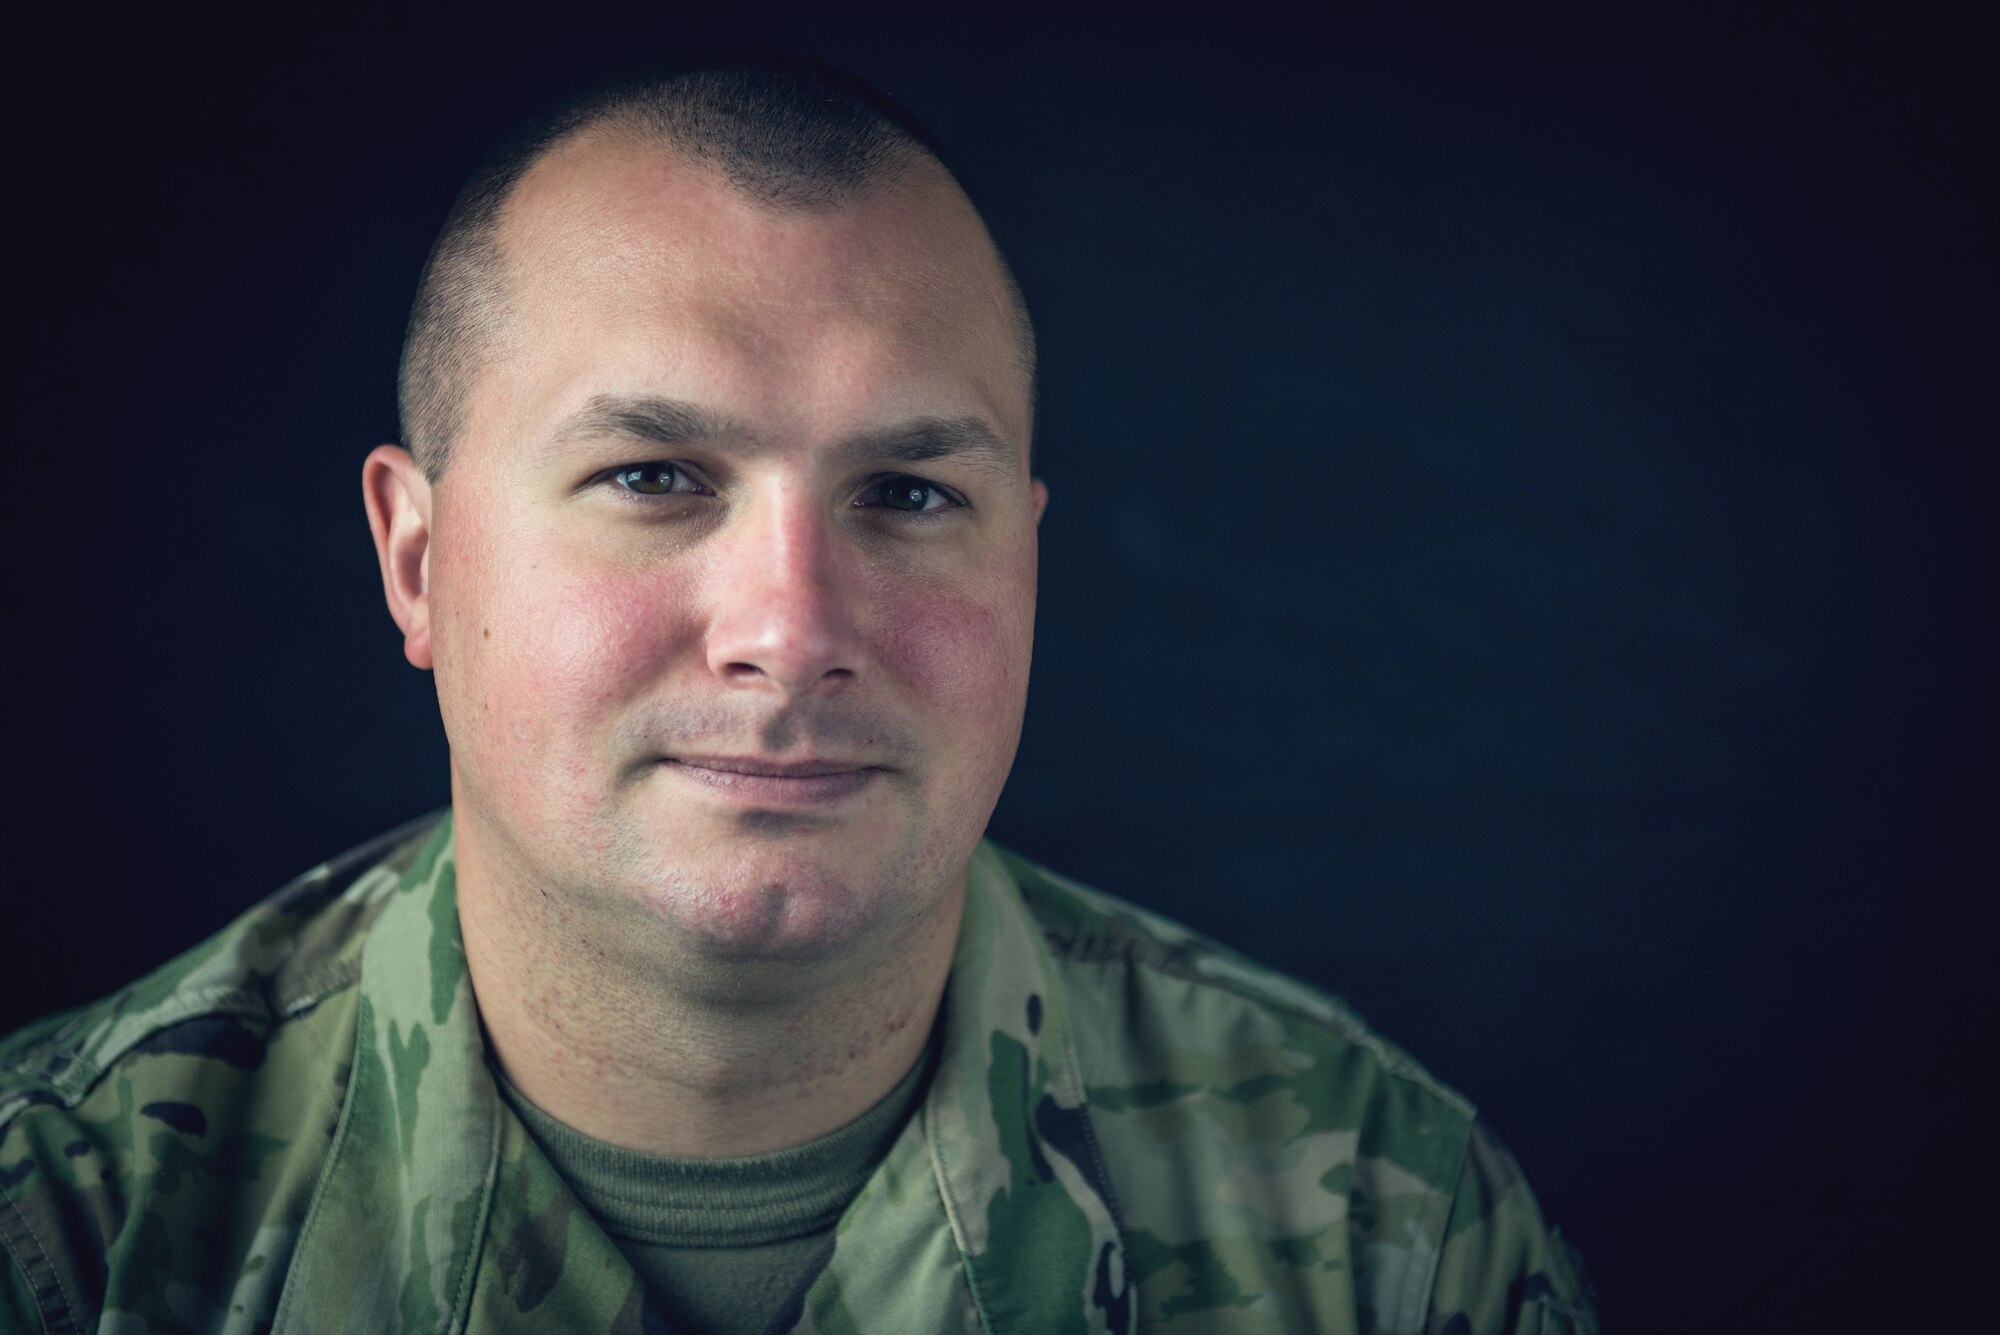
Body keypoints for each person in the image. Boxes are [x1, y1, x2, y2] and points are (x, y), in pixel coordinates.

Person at [0, 59, 1597, 1335]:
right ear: (418, 563)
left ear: (1027, 566)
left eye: (906, 495)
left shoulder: (1383, 1234)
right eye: (652, 476)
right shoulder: (67, 1234)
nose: (790, 628)